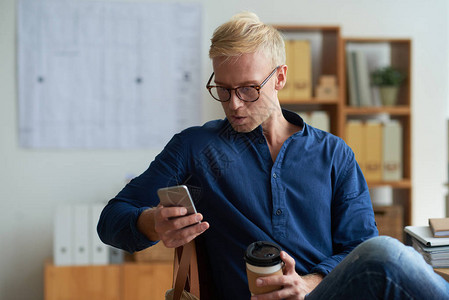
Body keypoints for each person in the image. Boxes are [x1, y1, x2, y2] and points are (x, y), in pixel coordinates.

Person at [97, 12, 449, 300]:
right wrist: (151, 223)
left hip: (323, 293)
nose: (233, 104)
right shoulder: (195, 147)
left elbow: (358, 246)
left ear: (279, 78)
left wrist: (308, 283)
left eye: (248, 89)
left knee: (382, 254)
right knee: (386, 254)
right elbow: (111, 219)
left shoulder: (334, 153)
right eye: (222, 89)